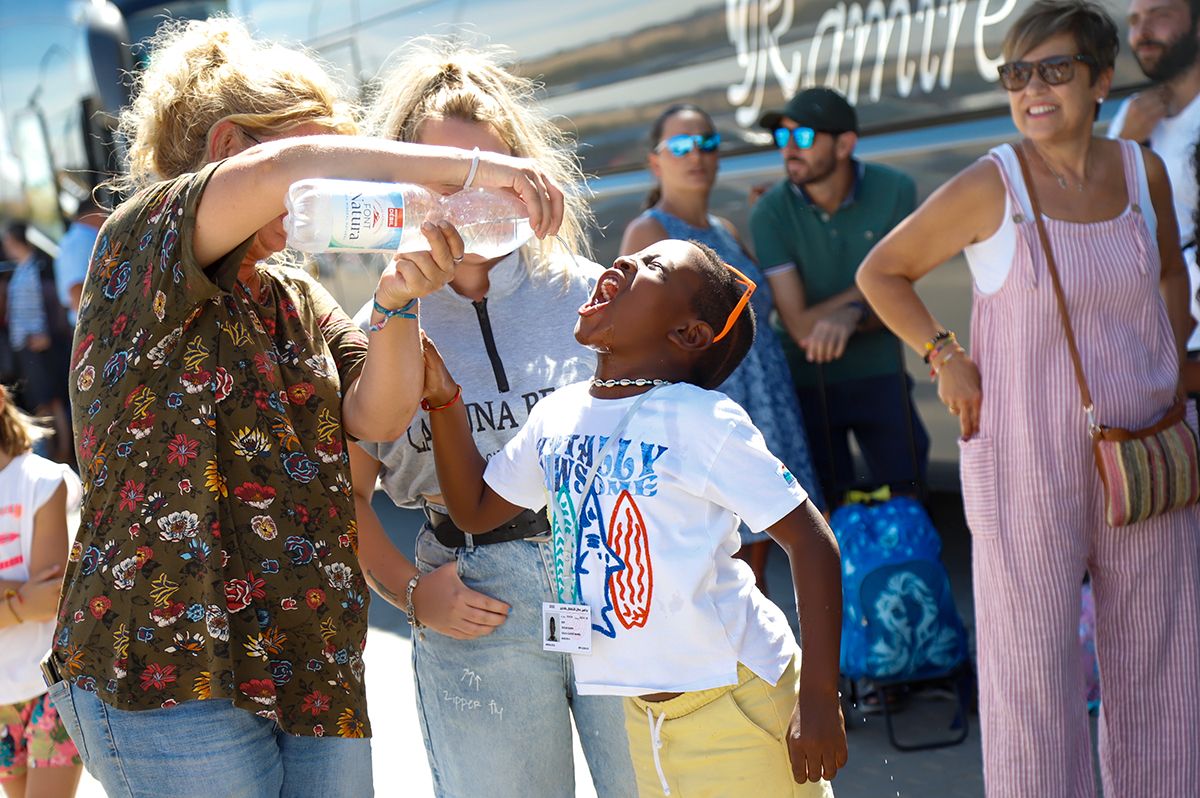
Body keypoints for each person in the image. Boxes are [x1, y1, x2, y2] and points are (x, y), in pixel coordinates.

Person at [45, 18, 563, 797]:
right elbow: (289, 165)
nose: (346, 189)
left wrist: (395, 300)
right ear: (227, 149)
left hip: (308, 661)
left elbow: (378, 419)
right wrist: (475, 166)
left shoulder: (290, 291)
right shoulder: (140, 238)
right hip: (165, 672)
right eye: (330, 161)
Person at [856, 2, 1200, 795]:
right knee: (1033, 683)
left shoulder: (1141, 170)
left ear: (1100, 80)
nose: (1032, 89)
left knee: (1162, 664)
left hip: (1144, 450)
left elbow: (1171, 272)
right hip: (1024, 459)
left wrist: (1171, 363)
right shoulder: (991, 185)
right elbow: (882, 271)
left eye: (1054, 70)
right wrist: (944, 354)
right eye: (1018, 73)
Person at [423, 238, 847, 797]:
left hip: (736, 697)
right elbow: (476, 510)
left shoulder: (702, 419)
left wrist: (818, 697)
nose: (622, 262)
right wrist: (444, 398)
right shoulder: (558, 415)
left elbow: (812, 543)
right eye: (629, 256)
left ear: (688, 334)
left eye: (652, 266)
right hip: (643, 719)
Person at [349, 40, 634, 798]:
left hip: (617, 586)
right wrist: (413, 595)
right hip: (475, 605)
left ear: (526, 175)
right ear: (405, 185)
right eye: (448, 177)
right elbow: (341, 501)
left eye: (493, 172)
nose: (474, 198)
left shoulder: (590, 293)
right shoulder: (379, 321)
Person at [619, 103, 823, 590]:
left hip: (766, 401)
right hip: (712, 407)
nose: (698, 156)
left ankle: (768, 664)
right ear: (656, 161)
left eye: (707, 144)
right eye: (682, 146)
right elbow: (632, 338)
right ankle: (737, 666)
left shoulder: (725, 230)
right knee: (727, 565)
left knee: (769, 552)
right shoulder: (650, 232)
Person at [748, 88, 928, 506]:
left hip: (882, 372)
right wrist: (877, 291)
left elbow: (907, 287)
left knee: (911, 505)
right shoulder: (770, 212)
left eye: (805, 137)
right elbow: (801, 326)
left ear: (845, 144)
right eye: (783, 137)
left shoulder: (895, 189)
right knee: (825, 517)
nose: (789, 149)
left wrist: (851, 313)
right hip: (809, 382)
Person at [1109, 0, 1200, 393]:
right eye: (1134, 20)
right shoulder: (1132, 114)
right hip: (1150, 346)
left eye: (1160, 14)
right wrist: (1126, 141)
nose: (1142, 31)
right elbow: (1097, 220)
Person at [0, 384, 81, 798]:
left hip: (50, 685)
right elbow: (32, 597)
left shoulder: (44, 480)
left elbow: (50, 596)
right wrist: (18, 603)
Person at [0, 223, 71, 464]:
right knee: (42, 401)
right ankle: (54, 451)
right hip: (26, 346)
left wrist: (46, 335)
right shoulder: (22, 269)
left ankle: (62, 451)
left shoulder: (38, 268)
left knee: (50, 400)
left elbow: (50, 305)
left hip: (39, 346)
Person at [53, 199, 107, 326]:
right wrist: (93, 326)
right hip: (91, 323)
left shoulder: (77, 237)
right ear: (96, 211)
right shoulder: (82, 238)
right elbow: (76, 286)